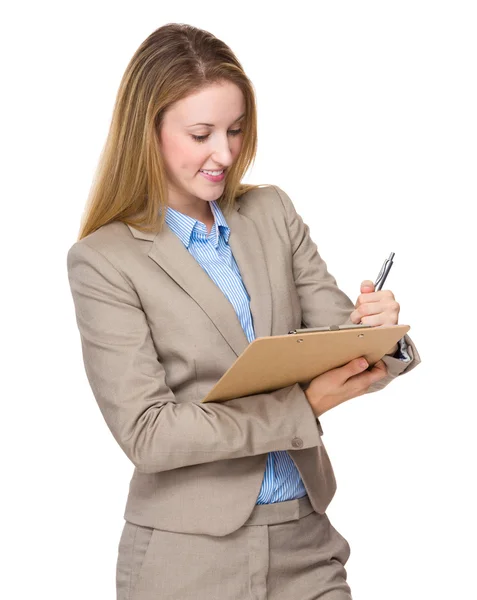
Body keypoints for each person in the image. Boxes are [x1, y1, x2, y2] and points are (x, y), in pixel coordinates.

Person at [67, 23, 421, 600]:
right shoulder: (104, 261)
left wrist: (381, 333)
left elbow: (340, 342)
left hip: (305, 540)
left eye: (234, 130)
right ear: (147, 131)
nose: (225, 153)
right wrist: (301, 406)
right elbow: (150, 434)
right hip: (187, 558)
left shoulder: (271, 212)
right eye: (201, 133)